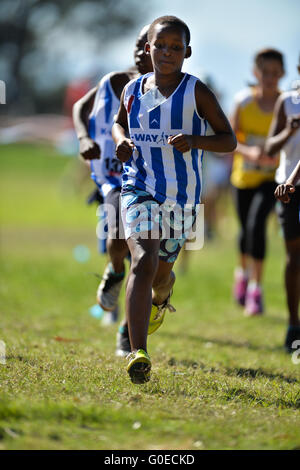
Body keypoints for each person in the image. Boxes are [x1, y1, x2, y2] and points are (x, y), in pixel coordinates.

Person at [112, 15, 237, 384]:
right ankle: (138, 352)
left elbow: (229, 140)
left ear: (187, 52)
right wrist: (121, 140)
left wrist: (195, 141)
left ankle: (162, 297)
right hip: (138, 186)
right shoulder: (133, 89)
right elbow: (120, 122)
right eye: (160, 46)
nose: (167, 53)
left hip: (182, 199)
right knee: (143, 259)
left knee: (161, 275)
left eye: (176, 48)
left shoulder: (196, 92)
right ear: (148, 49)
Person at [73, 25, 153, 354]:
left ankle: (126, 332)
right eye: (137, 44)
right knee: (117, 238)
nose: (139, 50)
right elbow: (81, 107)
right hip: (115, 176)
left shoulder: (178, 94)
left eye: (147, 45)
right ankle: (115, 270)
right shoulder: (114, 82)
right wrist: (84, 138)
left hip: (156, 183)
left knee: (150, 265)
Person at [230, 49, 285, 316]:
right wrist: (249, 152)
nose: (270, 78)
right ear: (256, 73)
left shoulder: (286, 104)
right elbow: (229, 141)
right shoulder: (243, 103)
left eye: (276, 73)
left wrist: (277, 155)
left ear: (283, 74)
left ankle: (256, 289)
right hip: (243, 178)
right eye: (265, 73)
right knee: (245, 230)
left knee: (257, 225)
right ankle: (241, 273)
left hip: (272, 179)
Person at [265, 58, 300, 352]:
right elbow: (269, 148)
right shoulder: (287, 102)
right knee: (293, 258)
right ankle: (293, 324)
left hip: (290, 183)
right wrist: (289, 131)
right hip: (287, 190)